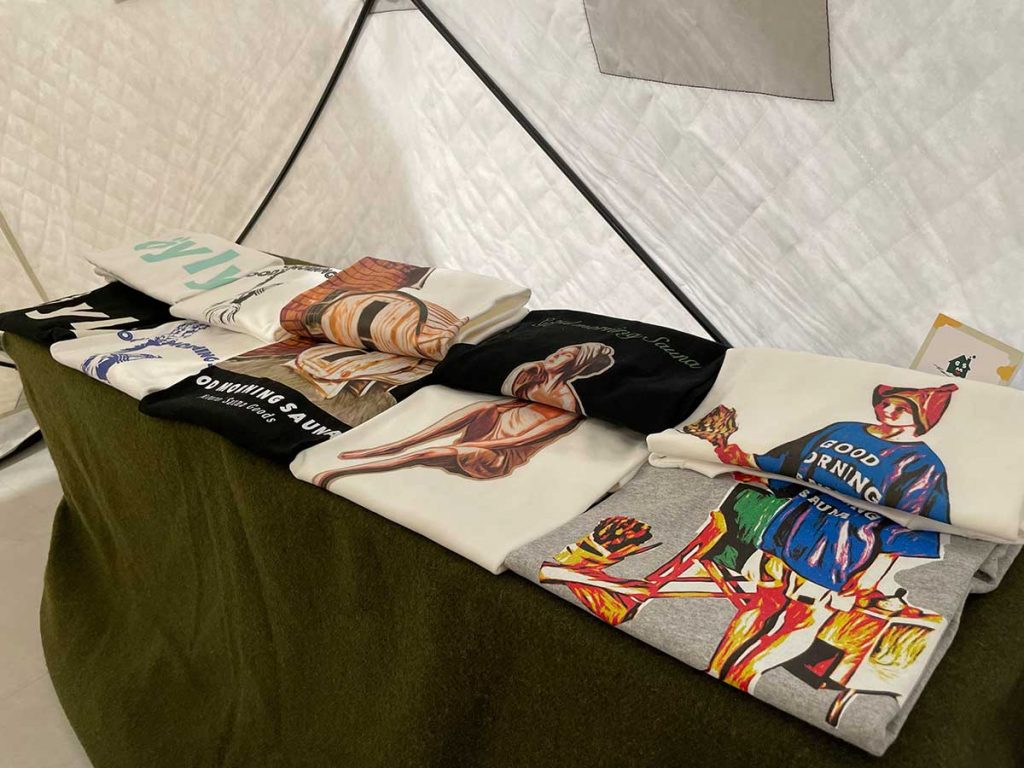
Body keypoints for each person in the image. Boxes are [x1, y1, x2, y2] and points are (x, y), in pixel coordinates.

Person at [709, 383, 958, 524]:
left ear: (922, 418)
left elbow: (923, 522)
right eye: (886, 403)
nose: (889, 410)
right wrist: (741, 459)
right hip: (780, 522)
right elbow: (784, 460)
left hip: (843, 553)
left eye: (902, 408)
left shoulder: (923, 464)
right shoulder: (844, 429)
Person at [312, 397, 581, 487]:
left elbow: (519, 440)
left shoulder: (568, 415)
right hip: (483, 438)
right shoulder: (534, 390)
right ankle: (398, 444)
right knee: (486, 407)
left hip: (497, 456)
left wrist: (459, 448)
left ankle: (339, 473)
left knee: (424, 455)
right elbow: (495, 410)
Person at [501, 342, 615, 414]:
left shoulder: (566, 400)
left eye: (566, 355)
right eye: (559, 351)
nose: (555, 355)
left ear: (577, 367)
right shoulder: (532, 370)